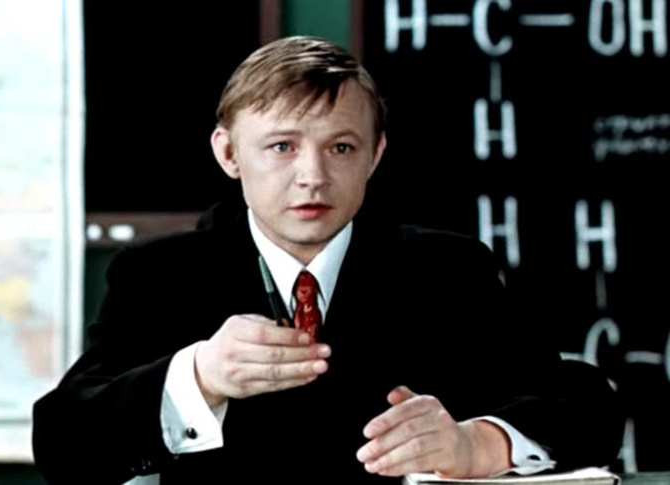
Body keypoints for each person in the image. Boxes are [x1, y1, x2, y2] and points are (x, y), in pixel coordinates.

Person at [32, 36, 622, 484]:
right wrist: (199, 377)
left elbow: (587, 406)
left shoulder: (448, 269)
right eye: (282, 146)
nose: (312, 176)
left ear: (375, 154)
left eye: (341, 147)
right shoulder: (161, 274)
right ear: (229, 153)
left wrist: (479, 445)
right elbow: (62, 441)